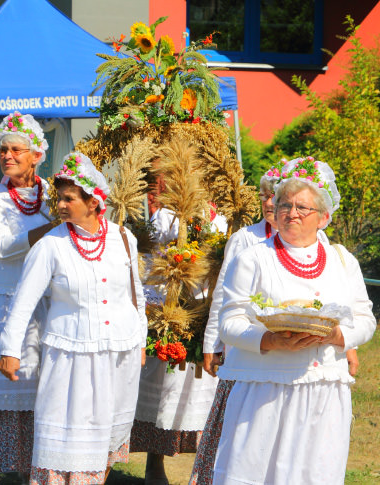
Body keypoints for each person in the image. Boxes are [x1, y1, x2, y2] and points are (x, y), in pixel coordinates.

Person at [190, 160, 360, 485]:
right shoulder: (247, 241)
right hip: (254, 361)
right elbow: (227, 302)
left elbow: (338, 302)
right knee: (247, 447)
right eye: (270, 196)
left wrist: (347, 346)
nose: (273, 204)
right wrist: (213, 343)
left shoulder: (323, 247)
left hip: (310, 368)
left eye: (278, 196)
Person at [0, 152, 148, 484]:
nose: (61, 205)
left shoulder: (124, 239)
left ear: (94, 202)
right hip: (71, 358)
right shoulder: (51, 245)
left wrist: (141, 342)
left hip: (120, 354)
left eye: (69, 198)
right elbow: (23, 301)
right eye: (59, 198)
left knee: (109, 435)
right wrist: (9, 350)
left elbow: (136, 295)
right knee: (70, 438)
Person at [0, 112, 54, 479]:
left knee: (44, 383)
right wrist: (53, 230)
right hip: (6, 300)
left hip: (47, 301)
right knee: (12, 384)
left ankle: (43, 464)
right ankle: (12, 466)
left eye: (16, 150)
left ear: (36, 154)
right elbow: (2, 248)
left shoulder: (54, 194)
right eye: (3, 150)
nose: (7, 156)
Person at [130, 173, 220, 484]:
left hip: (204, 312)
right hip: (170, 311)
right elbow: (153, 264)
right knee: (164, 392)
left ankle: (205, 469)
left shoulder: (219, 219)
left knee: (204, 396)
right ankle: (155, 465)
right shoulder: (166, 217)